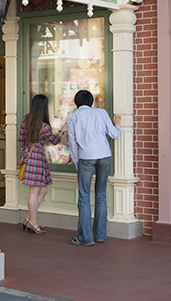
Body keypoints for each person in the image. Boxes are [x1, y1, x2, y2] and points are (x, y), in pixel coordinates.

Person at [66, 90, 121, 246]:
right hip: (104, 155)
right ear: (92, 102)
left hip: (86, 157)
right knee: (101, 195)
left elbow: (73, 145)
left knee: (84, 197)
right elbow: (114, 135)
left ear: (76, 102)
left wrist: (77, 166)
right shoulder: (101, 113)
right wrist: (117, 126)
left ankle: (86, 237)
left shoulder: (73, 117)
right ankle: (100, 235)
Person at [18, 94, 63, 234]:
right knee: (35, 191)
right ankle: (33, 222)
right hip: (37, 157)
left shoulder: (26, 119)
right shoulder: (44, 126)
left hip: (29, 156)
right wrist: (61, 132)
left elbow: (21, 141)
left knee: (43, 189)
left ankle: (28, 219)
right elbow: (54, 141)